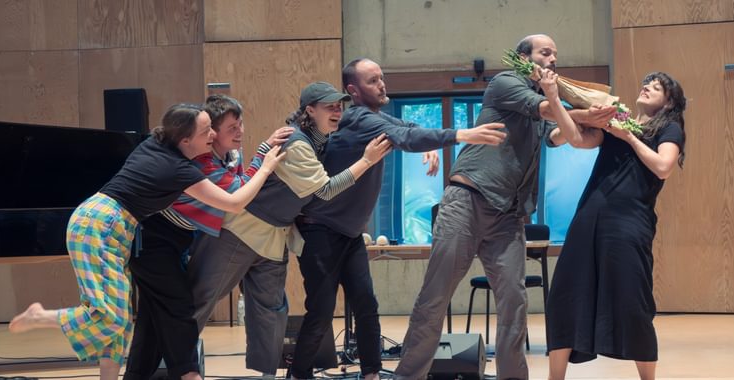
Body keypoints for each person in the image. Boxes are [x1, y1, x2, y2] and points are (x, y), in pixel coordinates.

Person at [393, 34, 615, 380]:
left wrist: (592, 121)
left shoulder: (546, 102)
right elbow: (542, 108)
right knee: (435, 298)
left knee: (515, 303)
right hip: (467, 202)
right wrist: (583, 111)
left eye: (556, 53)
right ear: (524, 58)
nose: (554, 59)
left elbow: (558, 134)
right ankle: (408, 376)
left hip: (508, 216)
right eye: (546, 53)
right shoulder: (506, 83)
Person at [7, 103, 284, 380]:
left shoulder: (158, 143)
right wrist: (266, 166)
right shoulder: (180, 170)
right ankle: (40, 317)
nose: (212, 135)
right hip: (99, 226)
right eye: (206, 131)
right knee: (111, 318)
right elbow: (235, 203)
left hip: (110, 227)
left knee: (121, 325)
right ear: (185, 140)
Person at [287, 59, 508, 380]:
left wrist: (424, 148)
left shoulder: (373, 118)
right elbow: (405, 136)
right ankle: (299, 374)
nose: (382, 84)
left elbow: (406, 131)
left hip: (347, 234)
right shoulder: (360, 118)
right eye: (373, 80)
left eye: (382, 78)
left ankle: (372, 374)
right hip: (319, 230)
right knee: (321, 311)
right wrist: (464, 133)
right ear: (355, 90)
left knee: (366, 304)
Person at [187, 85, 390, 379]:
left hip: (274, 237)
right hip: (241, 232)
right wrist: (367, 160)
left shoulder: (315, 141)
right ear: (310, 110)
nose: (338, 112)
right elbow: (326, 189)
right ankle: (175, 366)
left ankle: (270, 375)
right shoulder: (297, 142)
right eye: (330, 106)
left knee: (271, 312)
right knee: (200, 300)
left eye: (339, 106)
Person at [121, 95, 293, 380]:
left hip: (174, 241)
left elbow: (240, 181)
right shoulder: (197, 165)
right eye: (231, 128)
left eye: (240, 125)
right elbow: (238, 197)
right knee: (180, 308)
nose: (239, 132)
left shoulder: (227, 155)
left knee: (154, 318)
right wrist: (263, 156)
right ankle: (187, 373)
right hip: (152, 240)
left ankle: (141, 375)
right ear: (202, 136)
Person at [544, 72, 686, 380]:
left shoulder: (669, 128)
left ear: (669, 101)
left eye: (657, 87)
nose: (646, 87)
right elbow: (578, 139)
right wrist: (554, 99)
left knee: (632, 299)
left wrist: (631, 137)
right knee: (566, 295)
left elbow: (663, 168)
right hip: (589, 217)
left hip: (629, 222)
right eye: (646, 83)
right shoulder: (617, 123)